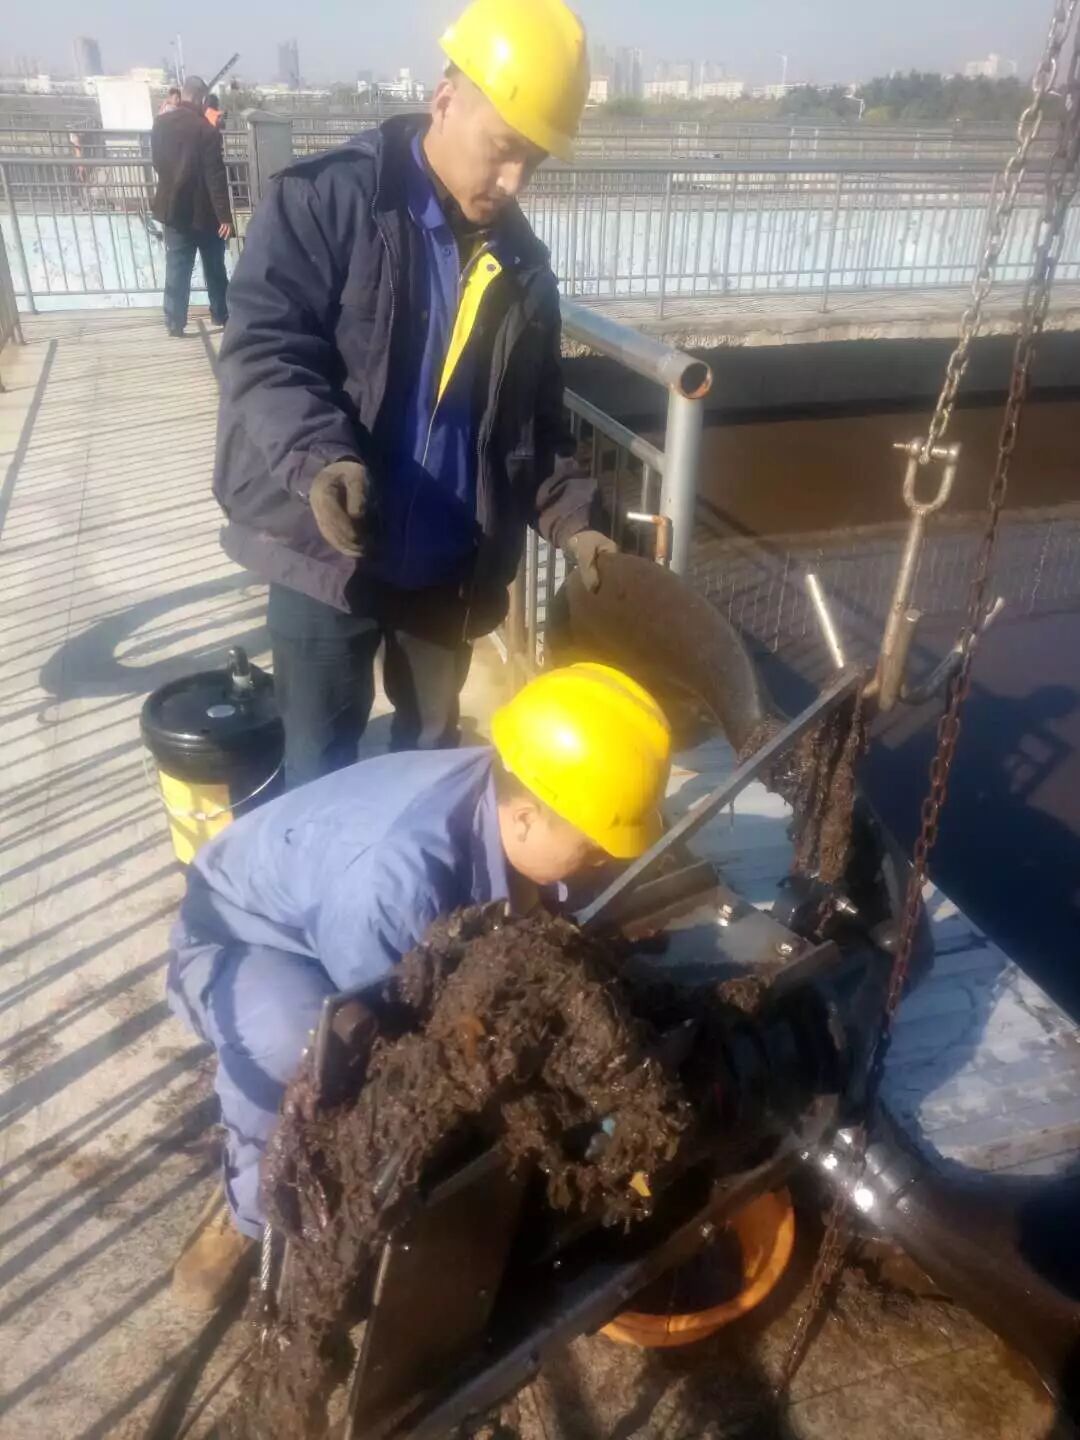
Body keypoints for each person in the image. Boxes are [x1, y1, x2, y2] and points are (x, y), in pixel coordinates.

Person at [166, 663, 671, 1309]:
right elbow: (394, 1031)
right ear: (523, 818)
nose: (603, 861)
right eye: (594, 849)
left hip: (336, 912)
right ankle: (250, 1209)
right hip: (240, 937)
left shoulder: (510, 793)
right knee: (306, 1047)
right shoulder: (394, 883)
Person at [212, 0, 616, 789]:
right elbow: (267, 351)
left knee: (426, 766)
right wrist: (321, 463)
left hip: (445, 564)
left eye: (533, 162)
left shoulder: (527, 269)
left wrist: (577, 522)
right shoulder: (329, 200)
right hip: (326, 549)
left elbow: (536, 426)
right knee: (318, 767)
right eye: (503, 150)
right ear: (445, 99)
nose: (513, 182)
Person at [150, 75, 233, 338]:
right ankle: (221, 314)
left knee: (177, 267)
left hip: (174, 209)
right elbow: (215, 176)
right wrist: (225, 217)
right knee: (214, 267)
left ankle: (174, 322)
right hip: (205, 213)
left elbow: (157, 162)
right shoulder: (206, 130)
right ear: (200, 98)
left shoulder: (160, 124)